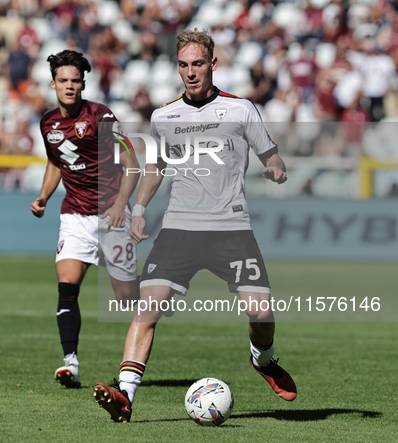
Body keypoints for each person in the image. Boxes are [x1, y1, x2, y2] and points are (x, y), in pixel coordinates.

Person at [94, 29, 296, 422]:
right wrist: (138, 208)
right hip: (179, 229)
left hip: (230, 227)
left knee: (260, 311)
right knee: (148, 307)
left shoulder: (241, 110)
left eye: (198, 64)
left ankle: (264, 360)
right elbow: (155, 168)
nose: (190, 72)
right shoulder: (164, 116)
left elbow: (272, 155)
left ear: (213, 64)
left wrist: (273, 167)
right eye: (184, 65)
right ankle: (125, 395)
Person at [30, 50, 140, 389]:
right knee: (67, 288)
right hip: (74, 216)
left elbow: (131, 161)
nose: (69, 86)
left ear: (83, 84)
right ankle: (71, 363)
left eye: (75, 81)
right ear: (53, 84)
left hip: (111, 214)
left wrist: (122, 204)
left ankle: (155, 289)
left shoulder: (101, 117)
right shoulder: (48, 123)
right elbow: (55, 163)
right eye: (63, 80)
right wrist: (44, 196)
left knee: (126, 298)